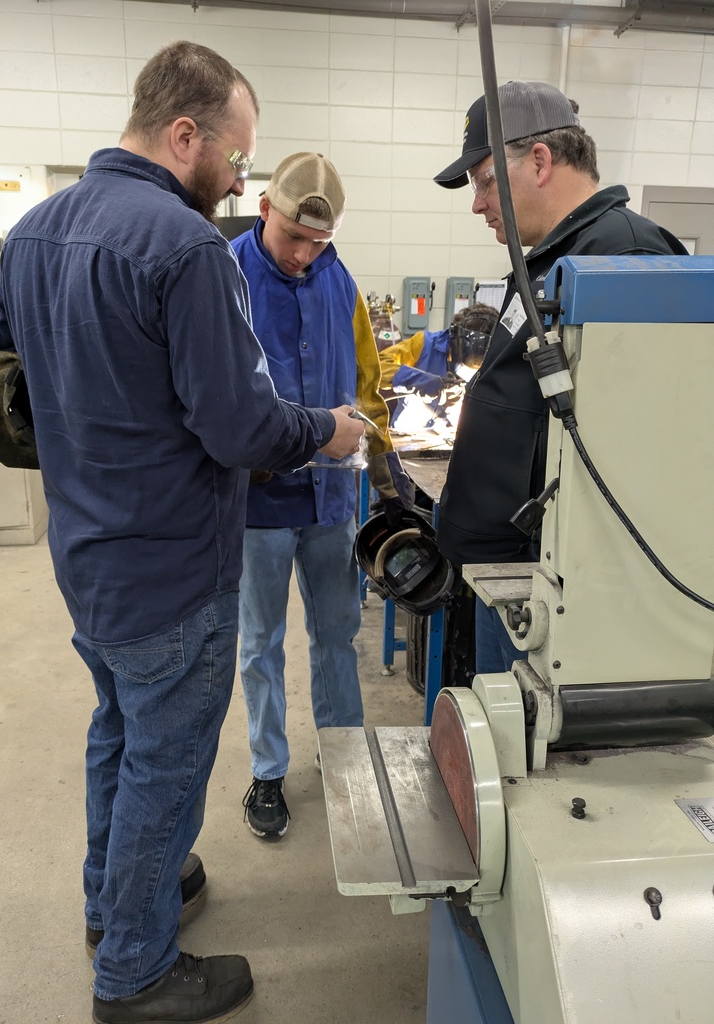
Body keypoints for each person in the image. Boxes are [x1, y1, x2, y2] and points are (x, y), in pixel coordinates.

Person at [0, 42, 363, 1024]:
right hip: (175, 568)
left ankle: (116, 901)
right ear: (183, 134)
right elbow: (239, 427)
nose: (237, 177)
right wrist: (327, 431)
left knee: (119, 732)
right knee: (167, 767)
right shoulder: (185, 249)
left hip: (87, 558)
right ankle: (135, 970)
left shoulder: (35, 231)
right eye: (234, 156)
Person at [432, 80, 687, 675]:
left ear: (540, 161)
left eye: (486, 180)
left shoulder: (624, 256)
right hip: (511, 576)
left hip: (552, 586)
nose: (478, 204)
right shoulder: (551, 260)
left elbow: (638, 453)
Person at [230, 152, 413, 840]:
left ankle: (341, 753)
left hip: (332, 504)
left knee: (337, 638)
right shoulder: (224, 278)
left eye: (319, 242)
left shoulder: (344, 286)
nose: (304, 255)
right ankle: (268, 768)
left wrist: (389, 488)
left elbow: (367, 392)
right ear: (263, 212)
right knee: (260, 643)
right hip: (258, 507)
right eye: (292, 239)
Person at [378, 302, 498, 439]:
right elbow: (376, 366)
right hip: (405, 437)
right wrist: (416, 379)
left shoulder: (497, 362)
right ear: (454, 339)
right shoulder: (424, 344)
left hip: (450, 439)